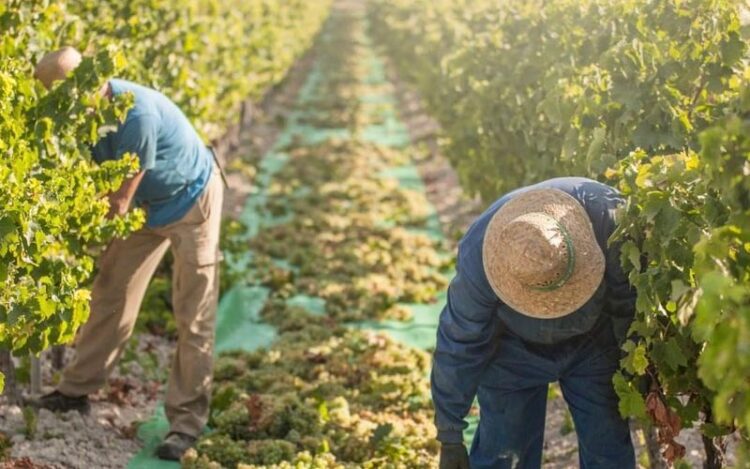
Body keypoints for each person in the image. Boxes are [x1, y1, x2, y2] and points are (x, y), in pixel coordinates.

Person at [32, 47, 224, 461]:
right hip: (146, 208)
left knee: (193, 313)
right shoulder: (81, 116)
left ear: (88, 85)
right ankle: (76, 391)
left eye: (62, 97)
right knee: (110, 288)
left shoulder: (135, 116)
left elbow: (117, 202)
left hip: (192, 200)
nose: (58, 108)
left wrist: (59, 229)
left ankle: (187, 425)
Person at [433, 177, 636, 469]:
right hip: (511, 350)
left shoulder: (608, 216)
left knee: (609, 452)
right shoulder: (481, 258)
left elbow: (626, 298)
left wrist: (634, 358)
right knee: (506, 457)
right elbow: (459, 342)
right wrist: (449, 434)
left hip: (593, 343)